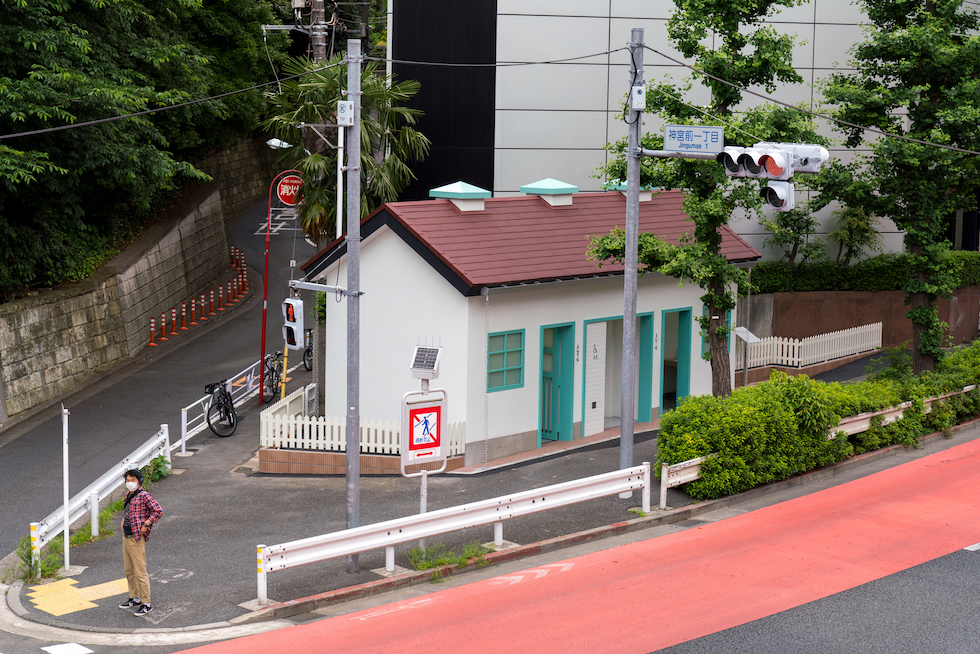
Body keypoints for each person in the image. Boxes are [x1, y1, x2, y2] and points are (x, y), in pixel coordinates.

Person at [117, 469, 163, 616]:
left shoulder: (144, 495)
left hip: (137, 538)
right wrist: (124, 520)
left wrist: (146, 524)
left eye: (133, 480)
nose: (130, 483)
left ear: (139, 481)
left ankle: (146, 602)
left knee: (140, 571)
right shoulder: (128, 495)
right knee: (129, 570)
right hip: (126, 535)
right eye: (128, 480)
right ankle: (134, 597)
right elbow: (128, 510)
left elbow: (158, 511)